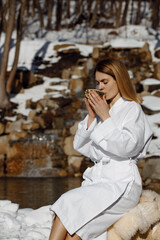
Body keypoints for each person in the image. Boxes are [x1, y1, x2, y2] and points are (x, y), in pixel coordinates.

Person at [49, 58, 153, 240]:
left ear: (119, 80)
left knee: (65, 204)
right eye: (98, 82)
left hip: (122, 183)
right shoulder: (101, 110)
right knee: (73, 230)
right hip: (99, 182)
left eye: (105, 82)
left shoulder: (132, 109)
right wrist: (91, 117)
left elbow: (127, 147)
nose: (100, 87)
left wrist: (105, 117)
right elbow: (83, 148)